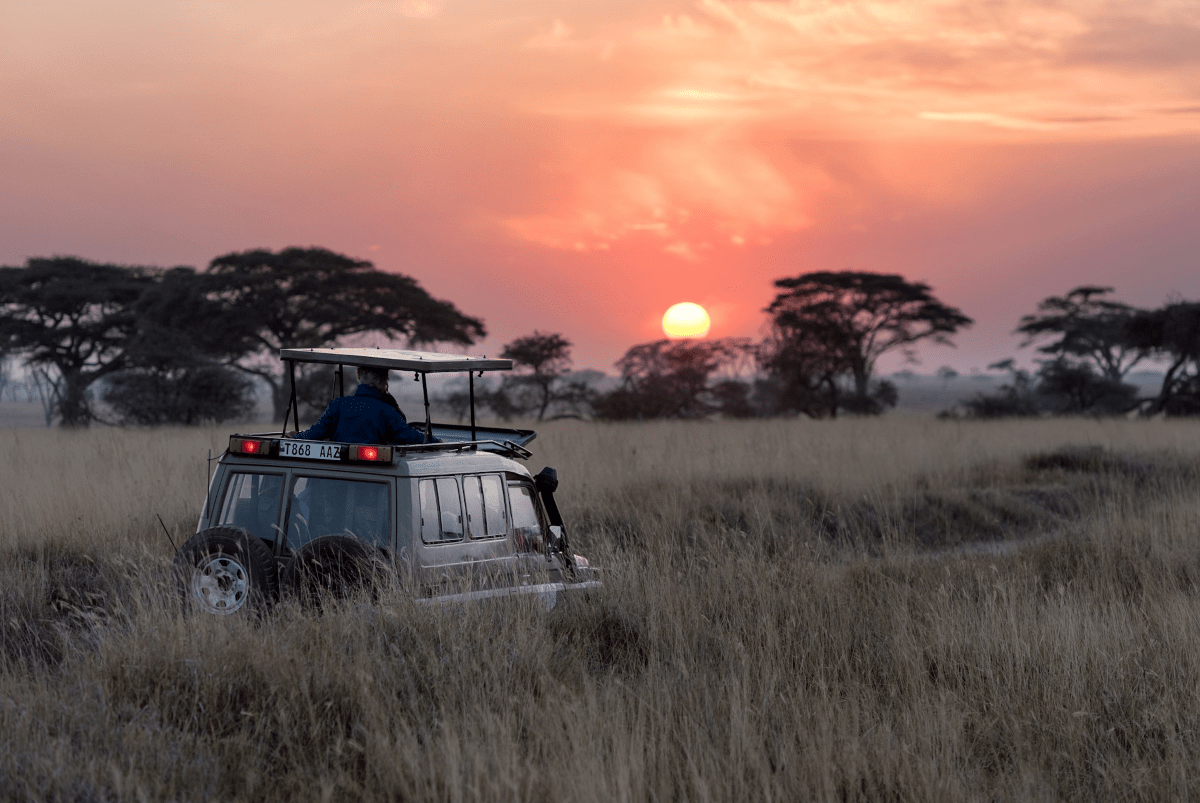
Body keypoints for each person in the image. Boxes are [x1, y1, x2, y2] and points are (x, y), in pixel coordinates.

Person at [289, 365, 434, 445]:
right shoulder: (387, 411)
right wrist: (432, 441)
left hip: (337, 473)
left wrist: (297, 437)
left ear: (359, 378)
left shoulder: (338, 404)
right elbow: (407, 435)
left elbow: (317, 432)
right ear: (384, 382)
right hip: (374, 474)